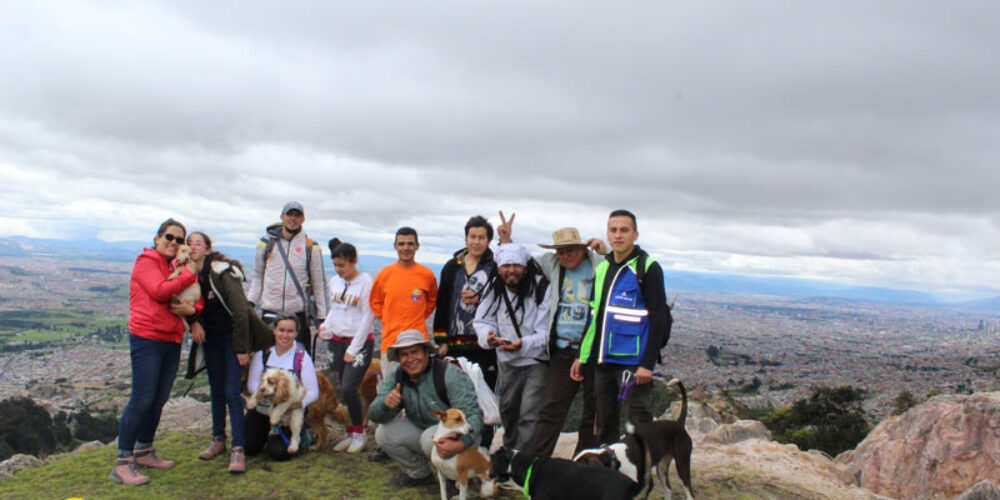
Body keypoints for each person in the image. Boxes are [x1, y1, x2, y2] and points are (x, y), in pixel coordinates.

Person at [495, 213, 608, 457]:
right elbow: (519, 263)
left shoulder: (600, 265)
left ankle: (584, 464)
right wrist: (506, 240)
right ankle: (535, 465)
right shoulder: (552, 263)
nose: (565, 255)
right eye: (560, 251)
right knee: (550, 410)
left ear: (581, 248)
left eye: (570, 250)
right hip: (561, 350)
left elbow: (620, 271)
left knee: (592, 412)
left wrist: (607, 253)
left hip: (592, 350)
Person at [111, 218, 201, 486]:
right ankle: (123, 462)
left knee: (158, 398)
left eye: (179, 239)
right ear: (158, 238)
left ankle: (144, 450)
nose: (173, 243)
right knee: (142, 398)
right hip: (147, 338)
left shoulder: (171, 265)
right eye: (169, 237)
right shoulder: (146, 262)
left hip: (170, 338)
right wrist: (189, 273)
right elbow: (160, 292)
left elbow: (188, 299)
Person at [572, 209, 672, 445]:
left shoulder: (647, 267)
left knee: (638, 421)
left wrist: (647, 364)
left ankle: (642, 474)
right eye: (613, 230)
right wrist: (582, 356)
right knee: (605, 422)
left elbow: (658, 318)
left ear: (635, 234)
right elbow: (595, 317)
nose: (618, 235)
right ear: (607, 233)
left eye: (624, 230)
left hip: (633, 361)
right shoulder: (603, 268)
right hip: (604, 361)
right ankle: (611, 475)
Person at [186, 231, 274, 474]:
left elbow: (240, 311)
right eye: (189, 243)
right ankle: (217, 439)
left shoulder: (222, 271)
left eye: (197, 243)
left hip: (230, 340)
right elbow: (189, 305)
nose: (192, 247)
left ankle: (238, 448)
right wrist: (193, 322)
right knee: (216, 391)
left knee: (232, 392)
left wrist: (242, 348)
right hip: (211, 340)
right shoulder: (191, 275)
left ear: (207, 248)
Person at [369, 330, 482, 489]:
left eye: (415, 352)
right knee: (383, 433)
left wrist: (461, 444)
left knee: (430, 439)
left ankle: (453, 479)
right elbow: (374, 415)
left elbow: (473, 415)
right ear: (399, 358)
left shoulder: (449, 374)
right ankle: (420, 473)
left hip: (459, 436)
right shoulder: (398, 375)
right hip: (425, 432)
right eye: (404, 354)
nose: (410, 359)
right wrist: (385, 405)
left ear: (427, 352)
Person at [473, 243, 550, 450]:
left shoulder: (540, 288)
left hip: (536, 360)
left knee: (529, 412)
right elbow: (482, 321)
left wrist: (522, 344)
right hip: (507, 362)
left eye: (517, 265)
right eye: (507, 265)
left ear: (525, 267)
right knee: (508, 410)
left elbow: (545, 332)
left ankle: (521, 460)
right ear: (499, 268)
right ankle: (509, 450)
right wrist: (488, 337)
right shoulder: (495, 287)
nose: (512, 270)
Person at [432, 215, 498, 446]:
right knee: (457, 392)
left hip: (483, 342)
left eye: (482, 237)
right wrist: (442, 339)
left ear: (489, 240)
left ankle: (484, 445)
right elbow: (443, 302)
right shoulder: (452, 267)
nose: (476, 242)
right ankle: (457, 442)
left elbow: (502, 299)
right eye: (472, 236)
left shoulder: (494, 266)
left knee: (485, 392)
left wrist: (480, 299)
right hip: (455, 340)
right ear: (466, 238)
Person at [317, 238, 375, 454]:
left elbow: (368, 317)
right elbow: (336, 309)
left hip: (357, 343)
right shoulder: (335, 282)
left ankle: (360, 434)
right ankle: (349, 432)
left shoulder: (365, 282)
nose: (339, 270)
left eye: (342, 265)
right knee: (343, 389)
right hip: (337, 341)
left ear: (354, 262)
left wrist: (353, 350)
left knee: (351, 387)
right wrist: (327, 327)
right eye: (335, 265)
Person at [248, 201, 328, 354]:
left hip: (297, 313)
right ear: (282, 217)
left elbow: (319, 284)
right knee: (267, 359)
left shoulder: (310, 246)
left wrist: (322, 318)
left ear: (303, 219)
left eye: (297, 215)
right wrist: (250, 303)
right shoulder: (266, 242)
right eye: (289, 215)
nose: (293, 219)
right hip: (271, 310)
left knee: (299, 361)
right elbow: (258, 276)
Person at [245, 313, 320, 461]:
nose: (285, 335)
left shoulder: (301, 357)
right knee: (248, 448)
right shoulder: (264, 354)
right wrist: (269, 397)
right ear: (274, 331)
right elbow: (252, 384)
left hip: (288, 409)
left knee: (279, 454)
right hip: (263, 407)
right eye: (281, 330)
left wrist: (300, 403)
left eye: (290, 331)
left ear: (296, 333)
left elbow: (313, 391)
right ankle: (263, 433)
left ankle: (298, 435)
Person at [369, 226, 438, 374]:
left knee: (420, 390)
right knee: (391, 390)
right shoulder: (385, 274)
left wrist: (416, 317)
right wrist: (390, 318)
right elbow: (375, 303)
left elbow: (431, 301)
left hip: (418, 341)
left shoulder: (427, 275)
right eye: (401, 244)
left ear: (417, 246)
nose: (405, 248)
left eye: (410, 243)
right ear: (395, 246)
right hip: (391, 342)